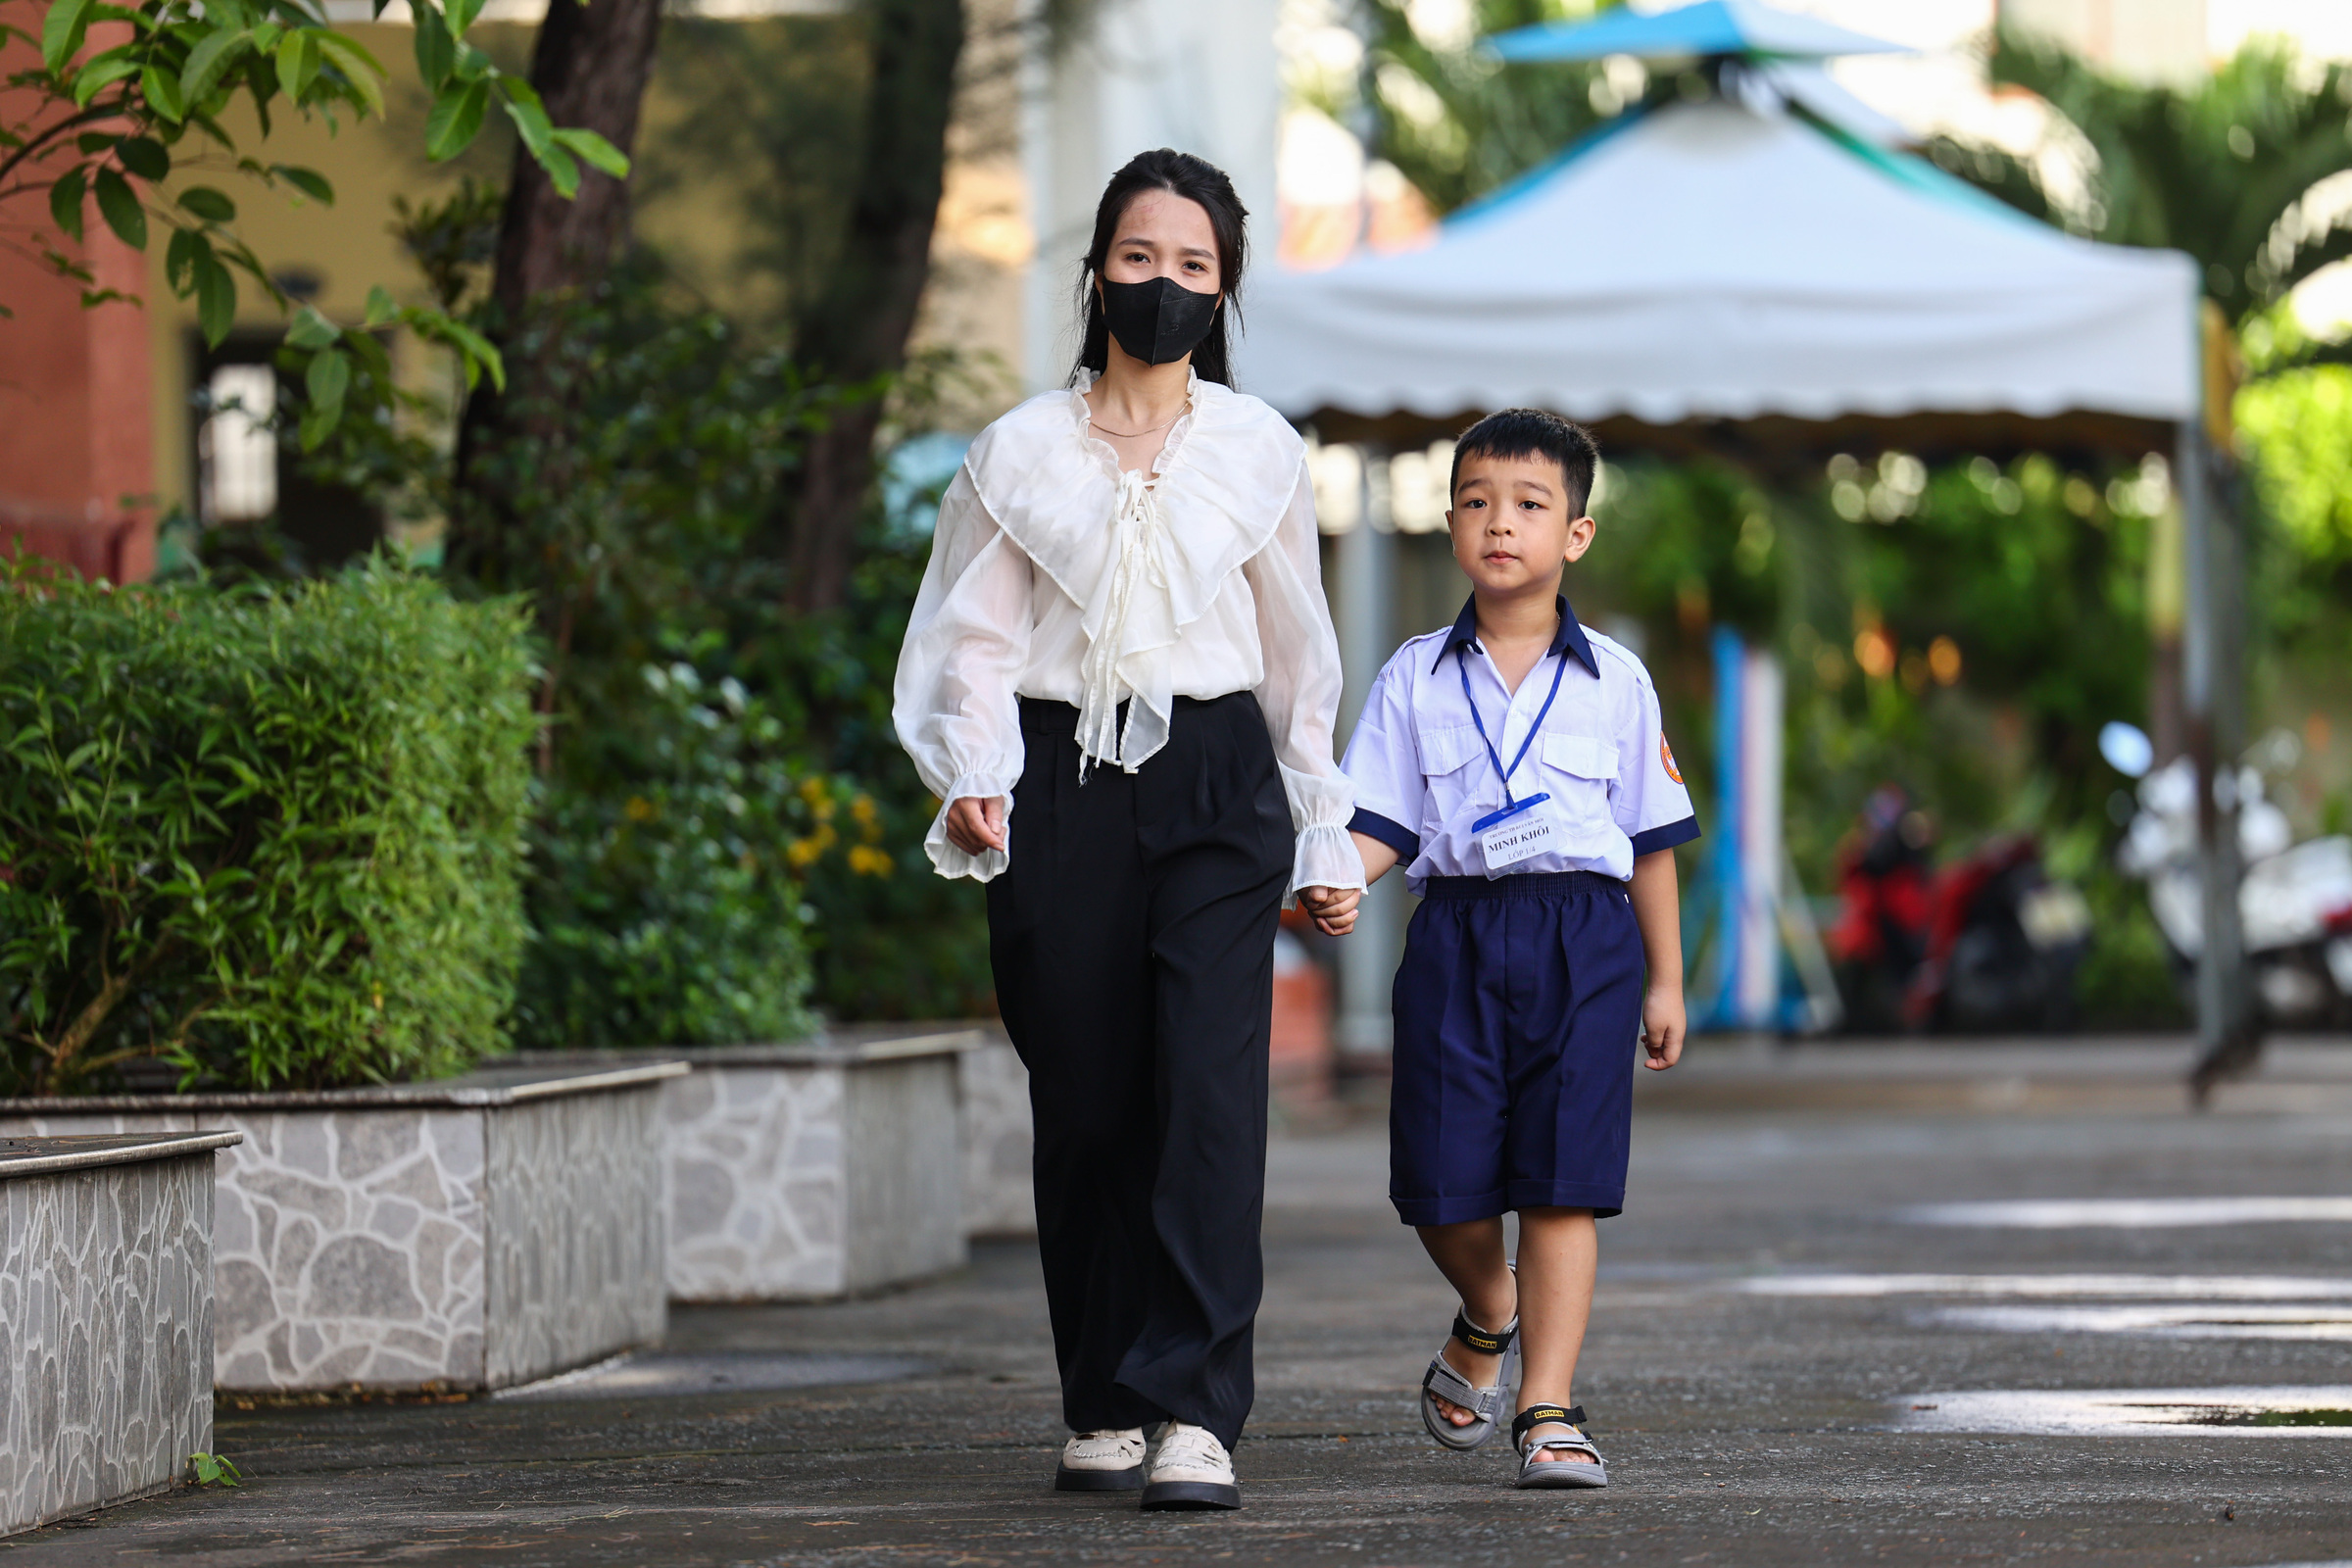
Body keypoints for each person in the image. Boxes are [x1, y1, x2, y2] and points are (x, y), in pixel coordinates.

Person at [893, 149, 1362, 1512]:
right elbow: (966, 636)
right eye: (1143, 258)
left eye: (1197, 268)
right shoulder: (1018, 455)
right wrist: (974, 768)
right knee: (1089, 1095)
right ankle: (1102, 1391)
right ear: (1099, 268)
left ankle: (1198, 1408)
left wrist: (1319, 821)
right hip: (1061, 778)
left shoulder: (1261, 453)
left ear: (1225, 293)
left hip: (1218, 779)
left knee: (1213, 1095)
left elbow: (1298, 653)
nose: (1166, 286)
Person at [1300, 409, 1696, 1491]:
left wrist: (1665, 979)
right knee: (1440, 1182)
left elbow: (1652, 839)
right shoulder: (1416, 675)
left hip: (1587, 938)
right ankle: (1492, 1307)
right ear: (1450, 523)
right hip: (1459, 938)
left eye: (1529, 505)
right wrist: (1343, 879)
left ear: (1577, 534)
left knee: (1563, 1183)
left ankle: (1549, 1408)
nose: (1499, 523)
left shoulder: (1616, 679)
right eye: (1476, 501)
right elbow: (1380, 815)